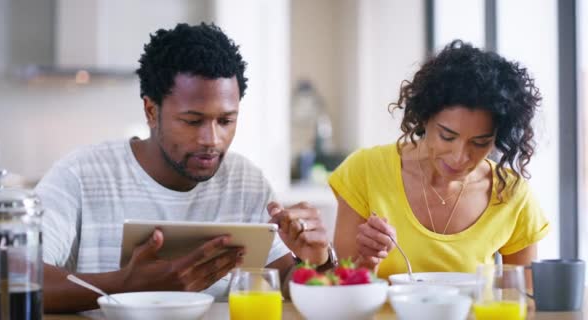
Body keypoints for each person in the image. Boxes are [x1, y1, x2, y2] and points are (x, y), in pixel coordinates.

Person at [37, 23, 334, 313]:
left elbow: (280, 282)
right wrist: (125, 284)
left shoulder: (246, 182)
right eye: (193, 121)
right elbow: (16, 275)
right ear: (151, 111)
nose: (212, 140)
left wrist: (317, 261)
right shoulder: (80, 174)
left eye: (226, 121)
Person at [330, 40, 550, 280]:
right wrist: (367, 262)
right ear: (424, 118)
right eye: (447, 136)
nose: (460, 157)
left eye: (479, 143)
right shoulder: (365, 170)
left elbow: (521, 297)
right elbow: (344, 288)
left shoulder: (511, 193)